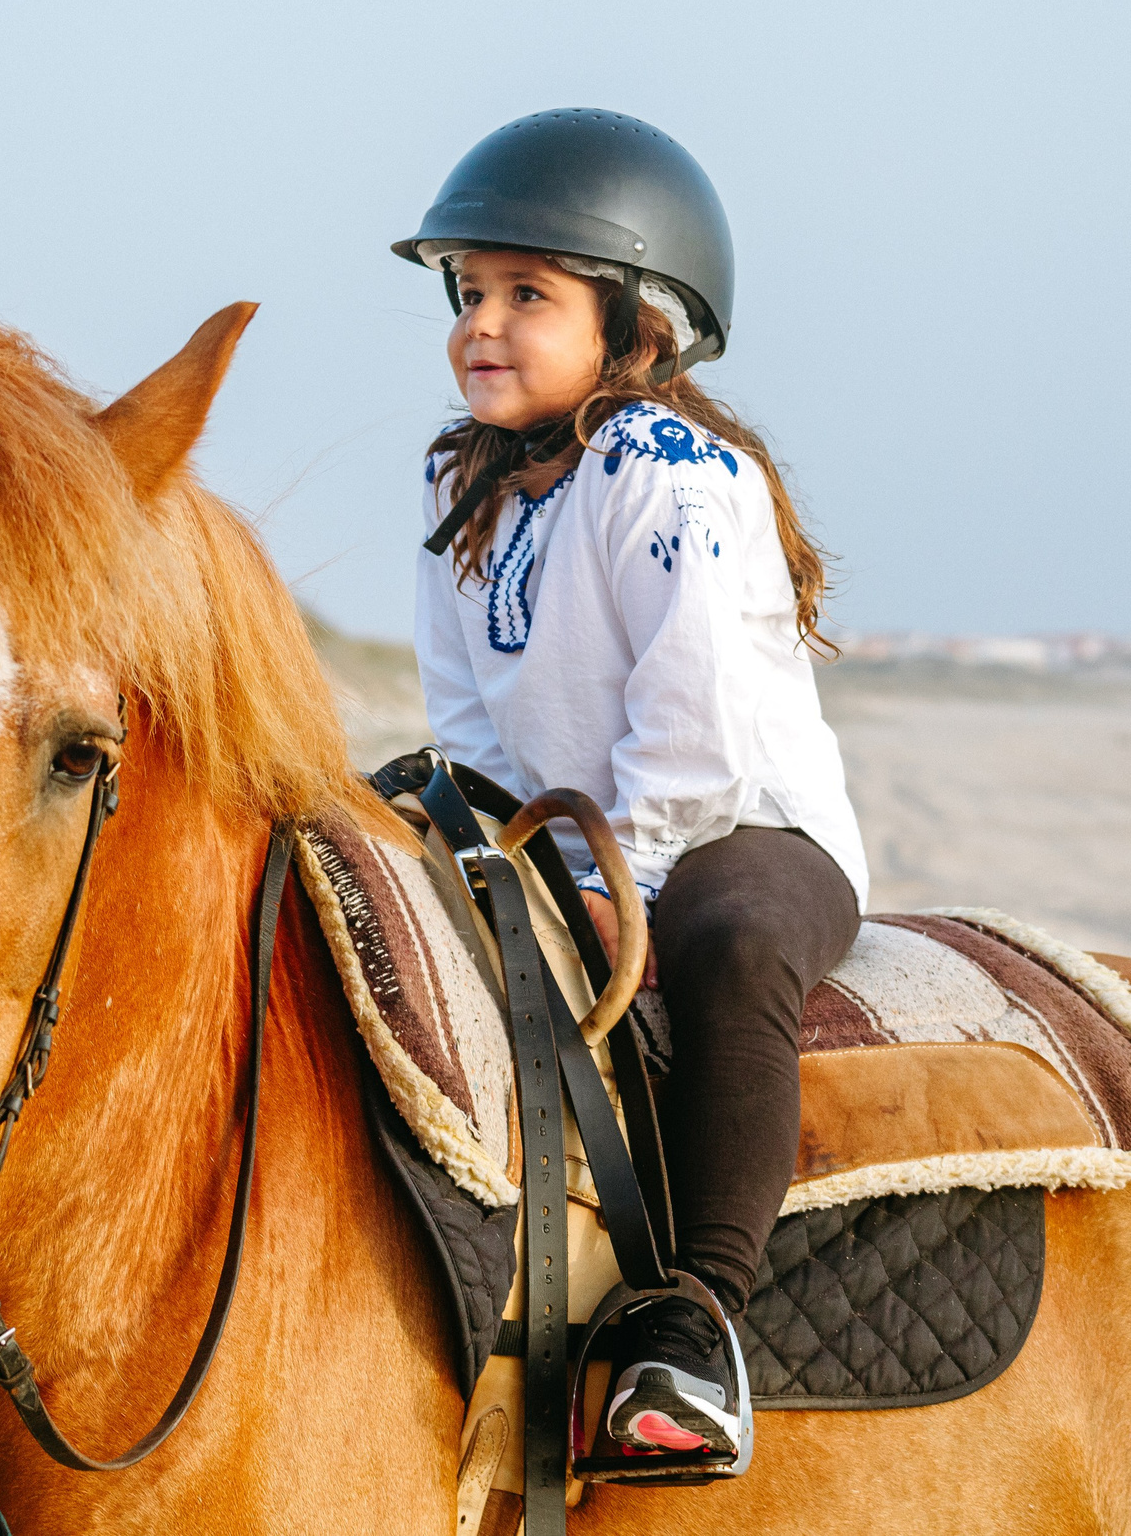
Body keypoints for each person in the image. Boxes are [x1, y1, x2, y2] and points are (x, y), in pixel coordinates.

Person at [393, 109, 869, 1463]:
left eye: (526, 296)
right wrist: (477, 842)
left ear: (639, 330)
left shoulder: (672, 472)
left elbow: (695, 720)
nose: (481, 324)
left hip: (736, 829)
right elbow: (468, 714)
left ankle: (698, 1325)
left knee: (732, 948)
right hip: (566, 835)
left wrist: (627, 886)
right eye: (469, 292)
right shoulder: (457, 479)